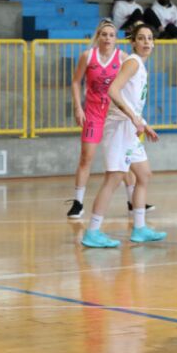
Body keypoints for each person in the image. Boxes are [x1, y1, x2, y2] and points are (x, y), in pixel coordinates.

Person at [81, 22, 166, 247]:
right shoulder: (133, 62)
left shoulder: (141, 66)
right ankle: (92, 231)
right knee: (114, 178)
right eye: (141, 38)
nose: (146, 42)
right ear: (133, 42)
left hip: (130, 127)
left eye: (150, 38)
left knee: (144, 174)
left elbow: (132, 101)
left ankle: (140, 228)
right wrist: (134, 118)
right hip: (119, 127)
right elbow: (113, 91)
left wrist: (143, 123)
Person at [66, 19, 126, 220]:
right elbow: (76, 82)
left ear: (116, 39)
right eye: (104, 34)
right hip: (93, 112)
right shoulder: (88, 56)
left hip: (115, 113)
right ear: (98, 36)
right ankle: (78, 203)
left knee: (124, 158)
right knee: (86, 157)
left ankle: (134, 201)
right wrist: (78, 107)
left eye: (111, 35)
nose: (108, 38)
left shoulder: (123, 58)